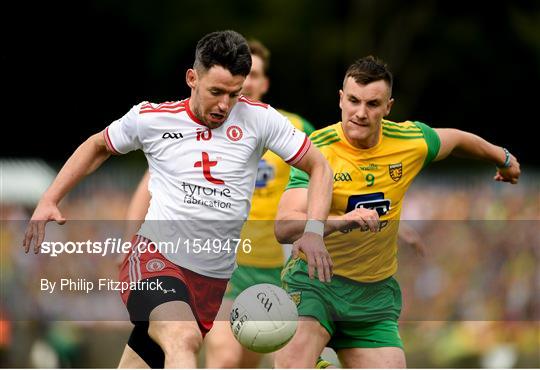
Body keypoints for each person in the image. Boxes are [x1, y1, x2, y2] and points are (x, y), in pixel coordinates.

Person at [22, 30, 334, 369]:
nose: (224, 105)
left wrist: (314, 229)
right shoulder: (153, 119)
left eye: (234, 94)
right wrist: (50, 198)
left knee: (152, 356)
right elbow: (97, 146)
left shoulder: (260, 119)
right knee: (183, 339)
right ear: (192, 78)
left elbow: (319, 165)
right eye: (216, 92)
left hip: (211, 280)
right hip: (156, 257)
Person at [273, 56, 520, 368]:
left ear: (388, 107)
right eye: (353, 101)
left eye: (372, 104)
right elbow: (283, 226)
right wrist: (340, 223)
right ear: (341, 99)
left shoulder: (410, 141)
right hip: (313, 285)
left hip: (373, 297)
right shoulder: (315, 149)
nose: (360, 113)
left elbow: (457, 138)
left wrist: (504, 158)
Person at [121, 38, 334, 369]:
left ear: (263, 82)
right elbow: (151, 185)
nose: (246, 84)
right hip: (226, 266)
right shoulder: (195, 125)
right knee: (219, 354)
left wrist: (323, 226)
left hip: (276, 270)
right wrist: (130, 241)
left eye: (254, 76)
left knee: (251, 358)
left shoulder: (288, 128)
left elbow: (324, 175)